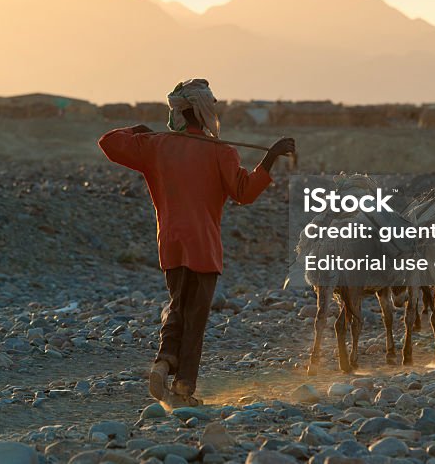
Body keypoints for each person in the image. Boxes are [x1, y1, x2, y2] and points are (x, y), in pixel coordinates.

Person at [97, 78, 295, 406]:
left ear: (177, 111)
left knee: (177, 304)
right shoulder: (220, 151)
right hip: (203, 246)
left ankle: (164, 361)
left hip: (171, 243)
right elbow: (244, 192)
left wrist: (137, 130)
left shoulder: (156, 145)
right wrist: (270, 157)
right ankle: (183, 388)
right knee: (195, 316)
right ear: (205, 111)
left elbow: (108, 142)